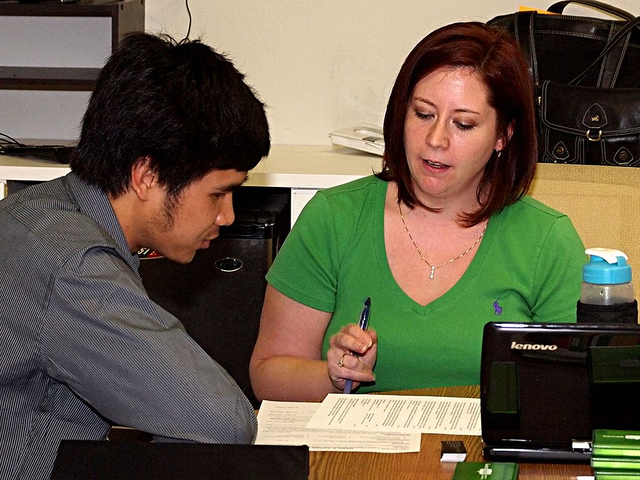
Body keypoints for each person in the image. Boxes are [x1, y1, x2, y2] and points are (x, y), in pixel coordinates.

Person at [250, 22, 586, 402]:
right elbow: (269, 374)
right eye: (423, 114)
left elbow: (574, 392)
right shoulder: (334, 217)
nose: (435, 140)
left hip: (483, 457)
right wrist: (332, 377)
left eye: (463, 124)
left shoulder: (546, 239)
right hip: (353, 457)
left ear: (502, 136)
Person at [0, 32, 270, 479]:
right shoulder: (75, 269)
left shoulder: (30, 214)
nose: (227, 216)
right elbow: (224, 422)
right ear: (146, 175)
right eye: (219, 193)